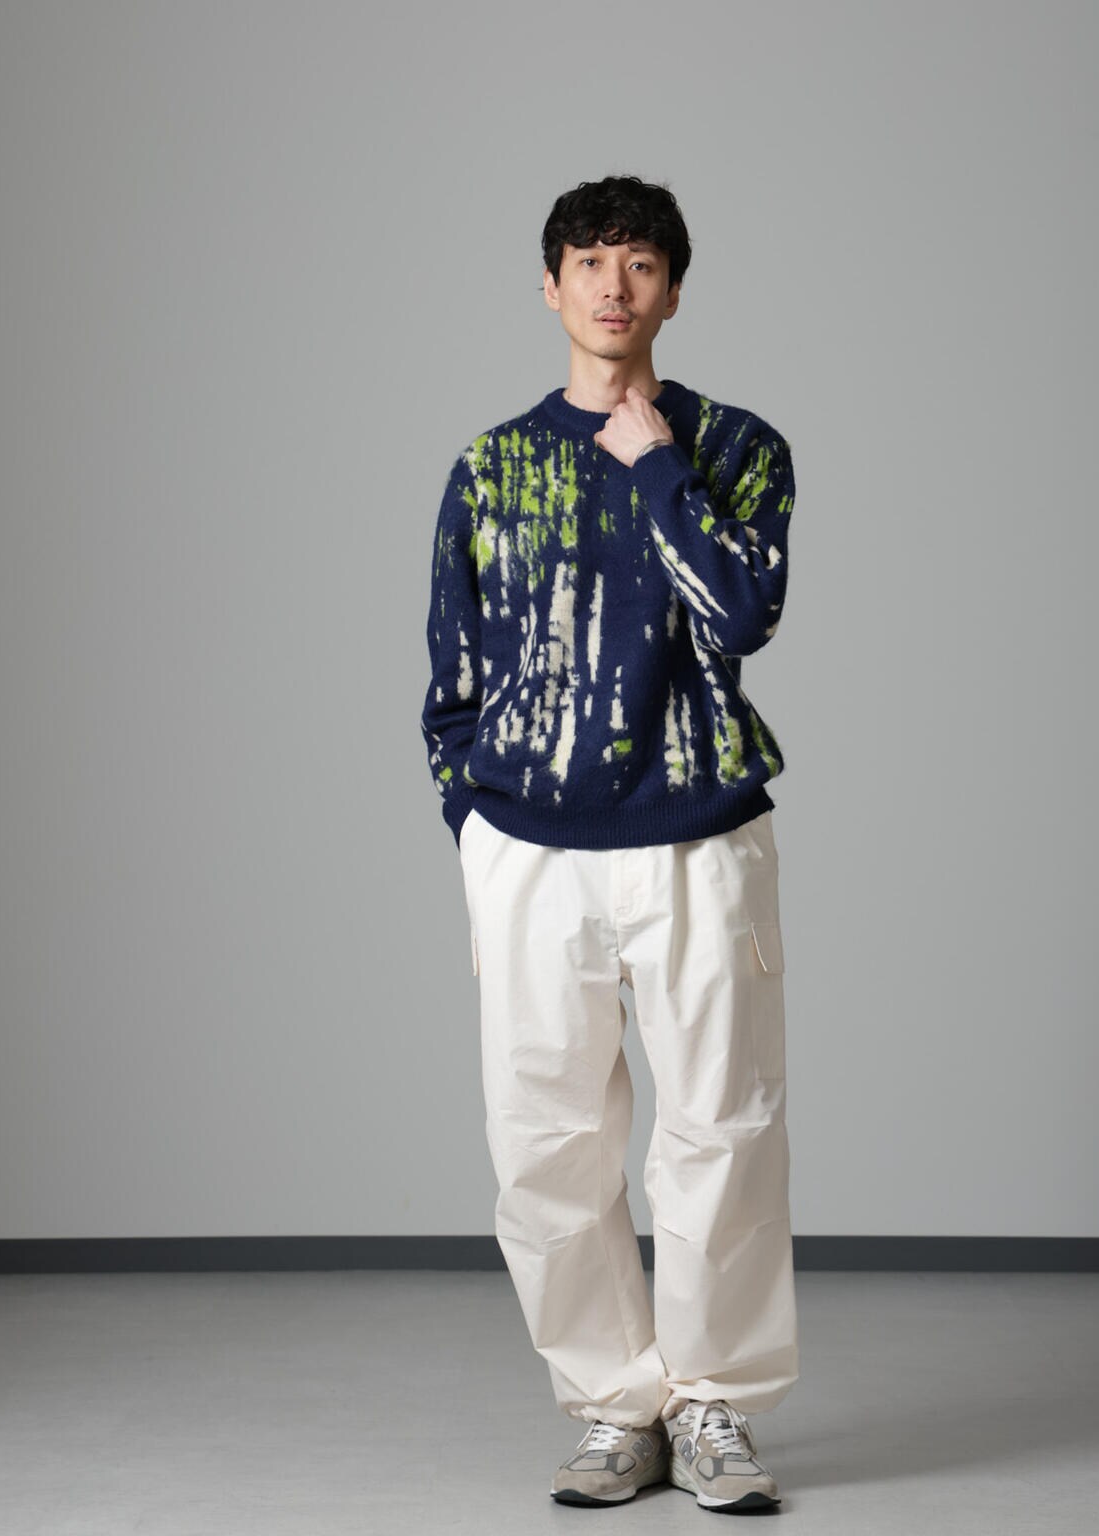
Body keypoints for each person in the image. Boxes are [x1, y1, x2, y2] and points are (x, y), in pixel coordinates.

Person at [419, 173, 798, 1512]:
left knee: (722, 1132)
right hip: (531, 848)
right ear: (550, 286)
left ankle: (712, 1408)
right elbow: (453, 679)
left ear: (674, 291)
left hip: (699, 835)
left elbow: (742, 613)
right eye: (587, 260)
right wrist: (477, 825)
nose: (612, 284)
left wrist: (657, 467)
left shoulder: (737, 447)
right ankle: (610, 1406)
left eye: (639, 262)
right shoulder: (492, 466)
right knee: (545, 1145)